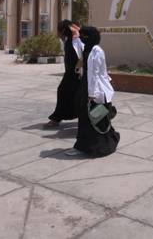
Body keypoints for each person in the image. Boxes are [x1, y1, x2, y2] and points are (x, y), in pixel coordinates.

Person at [66, 26, 120, 157]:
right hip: (86, 87)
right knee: (86, 118)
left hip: (94, 90)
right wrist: (78, 67)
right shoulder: (86, 50)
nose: (83, 38)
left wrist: (92, 93)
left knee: (97, 118)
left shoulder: (96, 51)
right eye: (81, 36)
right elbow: (85, 71)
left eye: (85, 36)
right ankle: (83, 146)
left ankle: (100, 146)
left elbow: (96, 74)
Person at [45, 20, 83, 128]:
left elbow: (82, 56)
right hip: (70, 73)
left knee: (64, 92)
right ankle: (60, 117)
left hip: (78, 74)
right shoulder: (69, 41)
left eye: (62, 31)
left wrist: (80, 70)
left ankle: (56, 118)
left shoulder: (77, 41)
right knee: (69, 94)